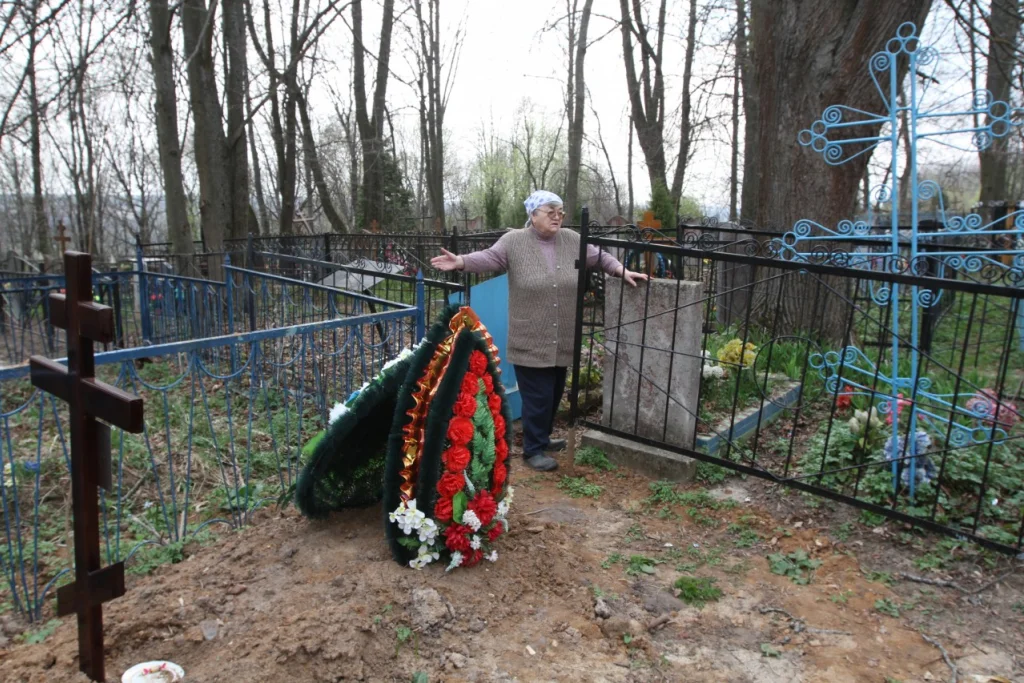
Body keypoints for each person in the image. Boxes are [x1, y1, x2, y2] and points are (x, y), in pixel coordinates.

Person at [430, 190, 648, 471]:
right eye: (550, 212)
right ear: (533, 215)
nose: (557, 217)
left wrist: (621, 271)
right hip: (530, 336)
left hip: (562, 336)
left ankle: (542, 438)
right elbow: (489, 257)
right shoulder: (514, 241)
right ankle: (532, 450)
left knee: (554, 393)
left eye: (560, 213)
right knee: (539, 397)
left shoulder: (572, 239)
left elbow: (601, 257)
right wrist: (461, 261)